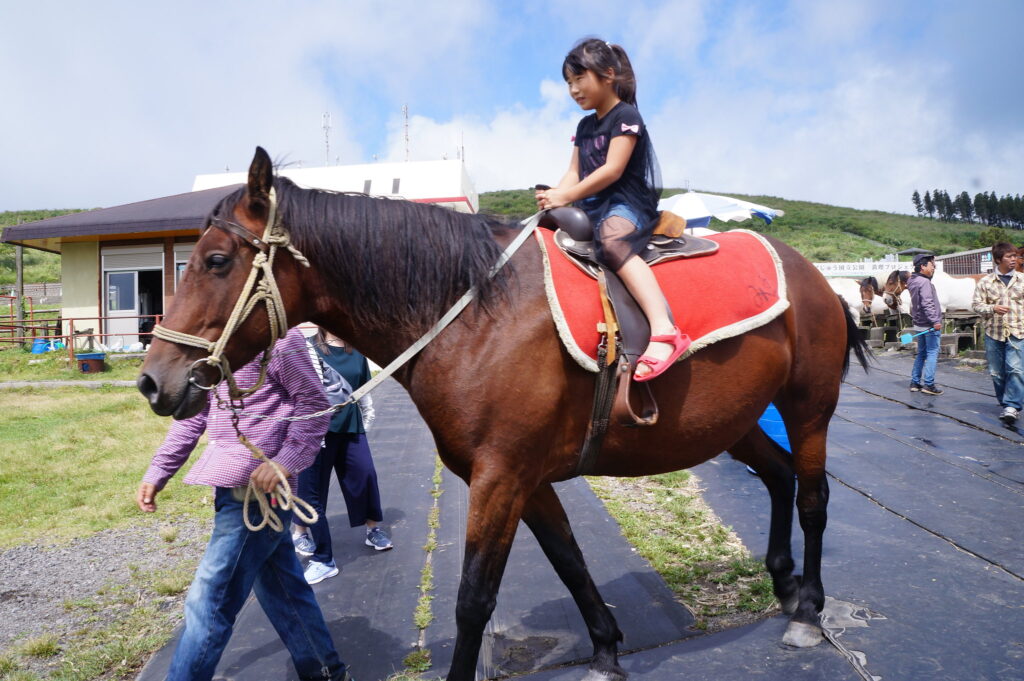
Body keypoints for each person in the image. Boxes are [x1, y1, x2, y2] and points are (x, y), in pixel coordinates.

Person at [136, 328, 351, 681]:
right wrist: (160, 469)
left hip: (257, 492)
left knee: (210, 599)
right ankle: (327, 672)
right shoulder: (215, 347)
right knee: (285, 590)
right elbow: (195, 414)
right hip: (231, 488)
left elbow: (314, 405)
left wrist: (285, 460)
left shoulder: (281, 340)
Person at [535, 38, 689, 382]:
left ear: (607, 75)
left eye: (579, 79)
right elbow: (573, 171)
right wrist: (555, 195)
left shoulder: (626, 116)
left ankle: (665, 330)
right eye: (568, 83)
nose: (574, 90)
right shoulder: (584, 126)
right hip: (591, 202)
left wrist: (567, 195)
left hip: (625, 201)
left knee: (613, 241)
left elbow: (612, 170)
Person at [292, 328, 392, 586]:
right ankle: (301, 531)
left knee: (365, 475)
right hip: (317, 432)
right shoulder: (306, 348)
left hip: (351, 428)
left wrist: (366, 420)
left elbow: (362, 389)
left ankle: (373, 530)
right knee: (312, 487)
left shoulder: (356, 350)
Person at [972, 242, 1024, 425]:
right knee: (996, 372)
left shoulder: (1022, 279)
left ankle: (1012, 406)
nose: (1014, 260)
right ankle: (1006, 403)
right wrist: (992, 308)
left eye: (1015, 256)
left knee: (1016, 369)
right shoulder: (986, 282)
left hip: (1018, 331)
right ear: (998, 259)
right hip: (994, 333)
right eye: (1009, 257)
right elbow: (976, 305)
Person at [907, 253, 944, 395]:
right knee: (932, 353)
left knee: (921, 353)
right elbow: (927, 303)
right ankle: (929, 384)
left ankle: (915, 382)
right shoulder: (925, 283)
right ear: (922, 267)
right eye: (931, 265)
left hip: (918, 323)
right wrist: (935, 320)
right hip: (929, 325)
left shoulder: (912, 281)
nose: (933, 268)